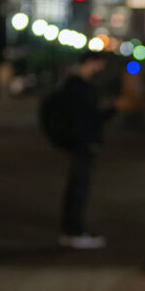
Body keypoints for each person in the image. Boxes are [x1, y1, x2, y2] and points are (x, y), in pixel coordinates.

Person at [54, 50, 113, 249]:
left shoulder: (73, 84)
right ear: (91, 62)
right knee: (79, 187)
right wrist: (115, 108)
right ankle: (75, 231)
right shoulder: (79, 86)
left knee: (76, 186)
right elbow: (89, 117)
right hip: (83, 142)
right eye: (100, 64)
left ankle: (71, 231)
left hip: (78, 141)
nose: (101, 69)